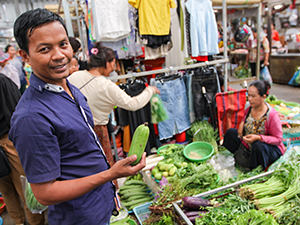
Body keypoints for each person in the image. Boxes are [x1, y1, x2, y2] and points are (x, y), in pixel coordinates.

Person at [9, 8, 146, 225]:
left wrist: (110, 186)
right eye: (45, 49)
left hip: (100, 205)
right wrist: (110, 175)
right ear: (25, 56)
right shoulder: (31, 117)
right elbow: (44, 193)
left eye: (63, 44)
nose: (59, 55)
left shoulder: (70, 88)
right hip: (78, 217)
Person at [68, 43, 160, 167]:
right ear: (107, 63)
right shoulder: (107, 86)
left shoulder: (74, 76)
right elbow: (132, 104)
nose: (114, 67)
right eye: (113, 63)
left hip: (73, 128)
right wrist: (150, 90)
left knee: (83, 165)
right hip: (97, 130)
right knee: (104, 165)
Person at [0, 73, 45, 225]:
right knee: (23, 186)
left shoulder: (2, 81)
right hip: (9, 139)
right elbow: (17, 107)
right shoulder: (3, 80)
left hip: (9, 137)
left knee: (10, 187)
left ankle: (22, 221)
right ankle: (32, 221)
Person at [223, 80, 285, 170]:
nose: (250, 99)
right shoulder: (249, 107)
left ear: (263, 97)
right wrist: (241, 125)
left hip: (267, 149)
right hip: (249, 145)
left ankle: (256, 171)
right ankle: (228, 161)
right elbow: (245, 117)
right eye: (249, 95)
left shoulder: (271, 116)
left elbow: (278, 139)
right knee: (231, 133)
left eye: (253, 96)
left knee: (258, 146)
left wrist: (259, 138)